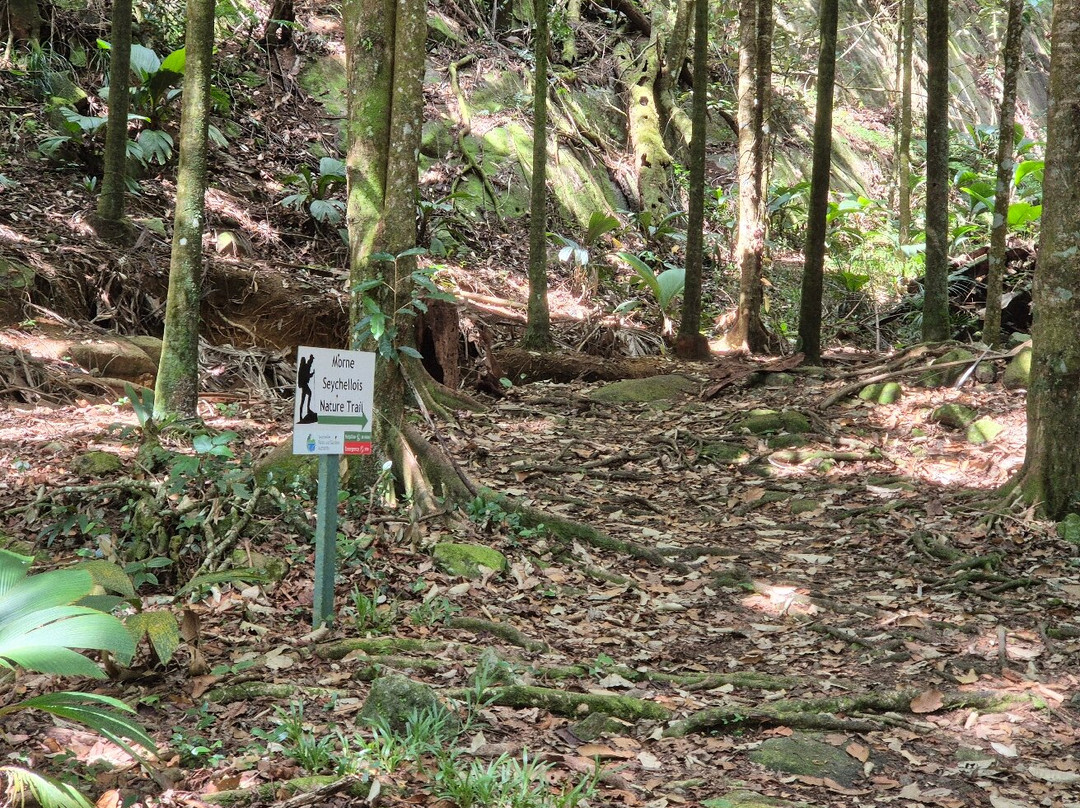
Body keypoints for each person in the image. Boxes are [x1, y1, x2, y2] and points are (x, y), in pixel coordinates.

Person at [297, 353, 316, 422]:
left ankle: (305, 411)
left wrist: (311, 374)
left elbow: (308, 366)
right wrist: (311, 359)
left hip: (303, 385)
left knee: (303, 400)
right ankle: (305, 411)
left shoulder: (302, 369)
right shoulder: (304, 368)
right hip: (304, 385)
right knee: (304, 399)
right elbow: (308, 366)